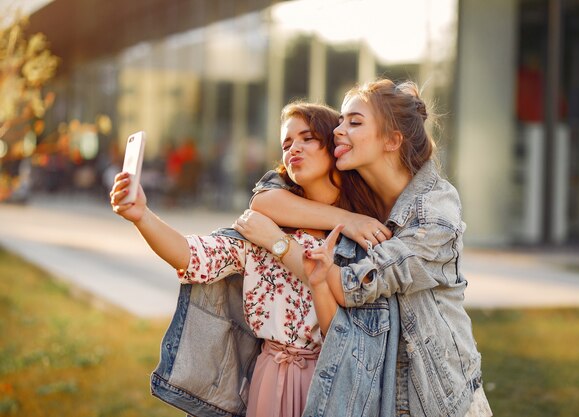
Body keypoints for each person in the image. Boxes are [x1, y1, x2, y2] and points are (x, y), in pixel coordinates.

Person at [109, 101, 390, 417]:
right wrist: (141, 216)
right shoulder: (262, 228)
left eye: (307, 137)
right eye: (286, 143)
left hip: (333, 383)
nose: (293, 148)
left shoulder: (363, 234)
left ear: (333, 146)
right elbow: (192, 256)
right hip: (268, 377)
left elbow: (355, 330)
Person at [241, 79, 492, 416]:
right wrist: (348, 218)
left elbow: (351, 285)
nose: (338, 131)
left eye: (354, 122)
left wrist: (279, 243)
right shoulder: (359, 193)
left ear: (392, 140)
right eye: (341, 120)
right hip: (374, 396)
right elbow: (266, 198)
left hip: (438, 401)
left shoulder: (435, 210)